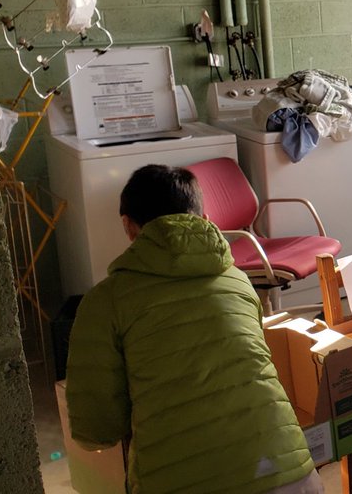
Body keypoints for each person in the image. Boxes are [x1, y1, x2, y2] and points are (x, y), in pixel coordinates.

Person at [66, 164, 320, 494]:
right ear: (203, 217)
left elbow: (96, 429)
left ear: (129, 227)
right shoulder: (239, 282)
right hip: (290, 474)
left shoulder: (105, 300)